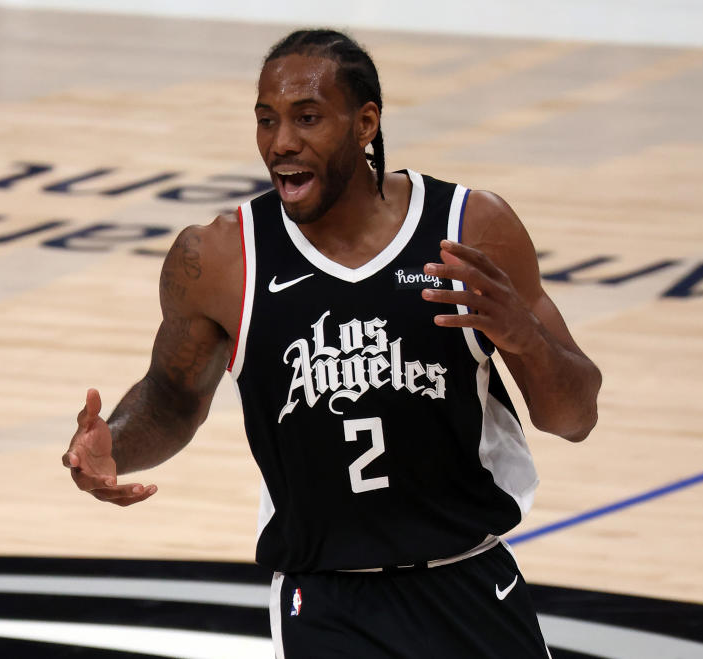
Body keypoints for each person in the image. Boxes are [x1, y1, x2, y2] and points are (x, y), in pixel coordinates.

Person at [62, 29, 601, 658]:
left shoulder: (468, 228)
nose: (282, 142)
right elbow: (171, 401)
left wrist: (524, 337)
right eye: (267, 121)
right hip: (324, 606)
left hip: (470, 585)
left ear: (365, 122)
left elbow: (575, 417)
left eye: (308, 118)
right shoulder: (220, 258)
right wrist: (113, 446)